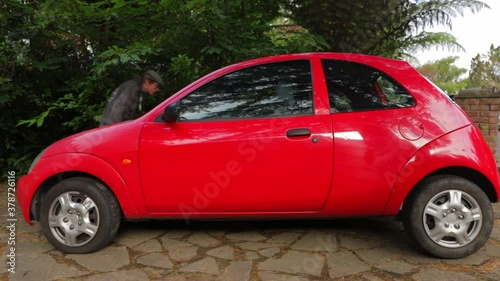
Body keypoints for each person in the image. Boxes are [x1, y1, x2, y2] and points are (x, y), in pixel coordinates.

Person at [100, 70, 164, 126]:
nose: (157, 89)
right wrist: (115, 132)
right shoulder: (131, 89)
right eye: (156, 86)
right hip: (110, 129)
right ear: (147, 82)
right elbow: (117, 112)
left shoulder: (141, 92)